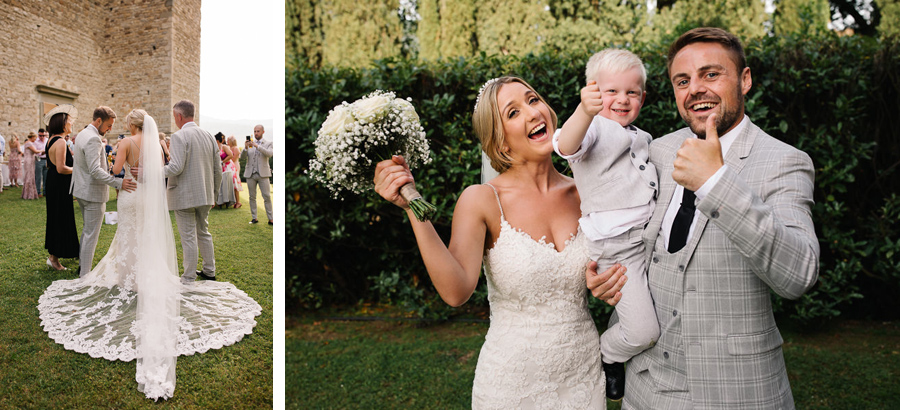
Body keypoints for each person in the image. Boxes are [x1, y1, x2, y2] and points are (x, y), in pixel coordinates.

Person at [587, 27, 820, 409]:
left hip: (734, 392)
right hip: (645, 390)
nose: (695, 88)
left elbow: (798, 274)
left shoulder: (783, 161)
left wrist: (715, 181)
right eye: (683, 80)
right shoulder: (657, 150)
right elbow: (612, 212)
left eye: (711, 74)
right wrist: (600, 271)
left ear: (744, 80)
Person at [375, 76, 628, 408]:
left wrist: (607, 283)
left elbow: (617, 262)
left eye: (533, 100)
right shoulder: (481, 200)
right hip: (512, 384)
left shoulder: (588, 190)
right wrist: (412, 208)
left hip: (582, 375)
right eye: (512, 112)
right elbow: (455, 291)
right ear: (501, 143)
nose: (532, 113)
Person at [37, 110, 262, 401]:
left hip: (130, 194)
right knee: (146, 235)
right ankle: (146, 274)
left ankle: (128, 276)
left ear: (131, 124)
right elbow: (162, 169)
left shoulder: (127, 142)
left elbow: (118, 171)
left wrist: (118, 165)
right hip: (148, 197)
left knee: (129, 235)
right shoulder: (157, 144)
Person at [554, 48, 660, 401]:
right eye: (611, 91)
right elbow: (566, 145)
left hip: (647, 240)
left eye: (632, 92)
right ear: (593, 91)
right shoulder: (593, 128)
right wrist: (584, 111)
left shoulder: (641, 137)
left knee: (656, 309)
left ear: (642, 97)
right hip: (617, 249)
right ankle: (607, 354)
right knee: (644, 331)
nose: (622, 99)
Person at [145, 99, 222, 283]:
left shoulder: (180, 136)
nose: (175, 120)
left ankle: (188, 277)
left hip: (184, 194)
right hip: (205, 194)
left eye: (174, 117)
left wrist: (153, 172)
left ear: (179, 116)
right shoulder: (209, 136)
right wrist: (214, 194)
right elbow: (217, 169)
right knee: (203, 232)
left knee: (188, 236)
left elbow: (176, 167)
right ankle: (209, 270)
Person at [71, 107, 137, 277]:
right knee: (91, 234)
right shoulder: (93, 139)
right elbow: (94, 170)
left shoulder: (82, 134)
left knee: (87, 231)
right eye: (108, 125)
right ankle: (85, 274)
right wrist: (118, 182)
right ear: (99, 121)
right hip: (92, 192)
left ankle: (82, 266)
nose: (110, 129)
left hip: (82, 189)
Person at [43, 105, 80, 271]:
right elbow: (61, 168)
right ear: (63, 124)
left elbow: (48, 164)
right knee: (59, 218)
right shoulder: (60, 142)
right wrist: (78, 170)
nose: (71, 124)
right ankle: (54, 258)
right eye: (70, 122)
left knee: (57, 217)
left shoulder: (51, 140)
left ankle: (60, 252)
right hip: (59, 184)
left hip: (54, 182)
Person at [241, 125, 273, 224]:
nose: (256, 133)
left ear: (263, 132)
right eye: (254, 131)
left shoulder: (268, 143)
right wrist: (245, 148)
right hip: (250, 174)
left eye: (258, 131)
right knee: (252, 197)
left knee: (266, 196)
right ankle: (254, 218)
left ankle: (271, 218)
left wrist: (257, 146)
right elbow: (242, 157)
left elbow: (269, 154)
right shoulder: (249, 144)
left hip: (263, 174)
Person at [215, 132, 236, 208]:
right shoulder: (215, 148)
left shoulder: (224, 147)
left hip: (227, 167)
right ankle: (221, 200)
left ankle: (228, 200)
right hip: (220, 167)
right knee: (221, 184)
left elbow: (231, 155)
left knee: (228, 183)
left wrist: (222, 162)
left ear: (217, 140)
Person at [22, 132, 41, 199]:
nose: (35, 139)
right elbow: (35, 151)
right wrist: (43, 150)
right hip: (29, 160)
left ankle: (28, 194)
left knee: (30, 175)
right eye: (35, 138)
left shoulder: (27, 143)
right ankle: (28, 194)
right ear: (32, 137)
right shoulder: (29, 143)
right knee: (29, 176)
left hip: (30, 160)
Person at [227, 135, 243, 208]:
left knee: (235, 184)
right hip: (229, 167)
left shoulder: (235, 148)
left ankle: (238, 202)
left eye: (228, 140)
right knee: (230, 184)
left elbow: (233, 159)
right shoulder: (228, 148)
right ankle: (231, 201)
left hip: (235, 167)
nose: (227, 142)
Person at [35, 128, 49, 197]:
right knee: (38, 177)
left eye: (43, 135)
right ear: (38, 135)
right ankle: (38, 191)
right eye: (40, 135)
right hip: (39, 159)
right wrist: (41, 152)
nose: (42, 137)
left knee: (46, 177)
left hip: (46, 159)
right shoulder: (36, 141)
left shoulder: (47, 140)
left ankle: (45, 191)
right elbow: (35, 151)